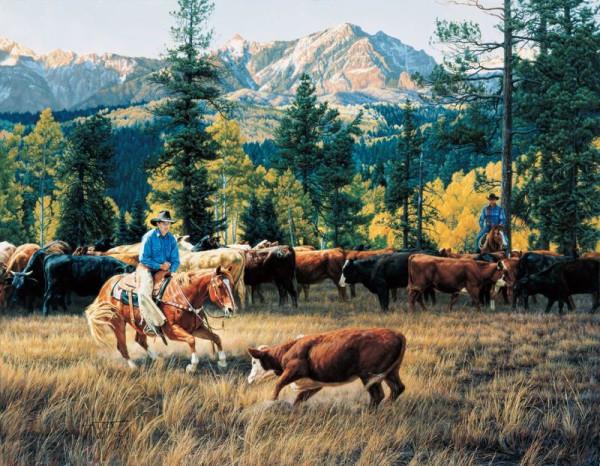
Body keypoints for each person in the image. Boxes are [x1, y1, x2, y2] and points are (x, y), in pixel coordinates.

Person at [137, 210, 180, 335]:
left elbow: (176, 260)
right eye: (164, 223)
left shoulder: (171, 239)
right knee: (144, 293)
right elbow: (143, 258)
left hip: (165, 270)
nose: (167, 226)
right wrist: (160, 265)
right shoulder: (149, 237)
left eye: (168, 223)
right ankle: (153, 323)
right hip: (146, 268)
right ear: (158, 224)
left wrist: (171, 271)